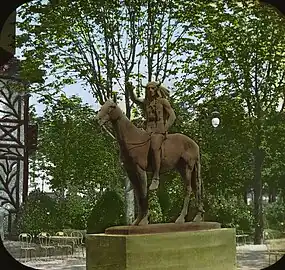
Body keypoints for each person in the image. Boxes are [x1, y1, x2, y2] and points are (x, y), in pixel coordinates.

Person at [127, 81, 176, 190]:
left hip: (159, 131)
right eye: (148, 89)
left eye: (152, 88)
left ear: (156, 90)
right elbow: (135, 99)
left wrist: (165, 128)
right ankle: (135, 174)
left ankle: (156, 177)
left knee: (154, 146)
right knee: (136, 145)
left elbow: (172, 116)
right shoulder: (146, 102)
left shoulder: (163, 102)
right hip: (148, 130)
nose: (150, 91)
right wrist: (131, 90)